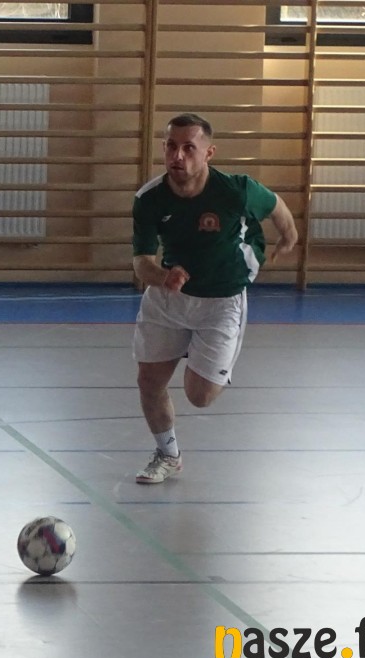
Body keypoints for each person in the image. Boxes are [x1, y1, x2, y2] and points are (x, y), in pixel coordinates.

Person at [131, 113, 298, 484]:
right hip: (169, 298)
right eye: (171, 146)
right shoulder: (149, 199)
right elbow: (141, 262)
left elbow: (276, 206)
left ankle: (211, 354)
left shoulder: (236, 190)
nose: (178, 156)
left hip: (222, 299)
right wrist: (163, 277)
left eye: (189, 148)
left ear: (208, 153)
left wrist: (289, 236)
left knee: (200, 396)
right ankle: (167, 455)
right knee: (149, 382)